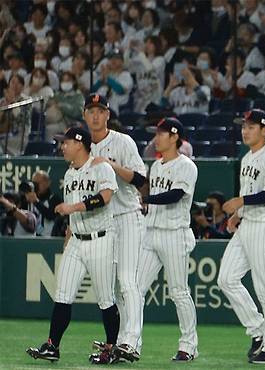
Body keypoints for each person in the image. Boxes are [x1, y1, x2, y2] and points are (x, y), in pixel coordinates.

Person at [26, 127, 119, 364]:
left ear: (79, 143)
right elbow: (71, 214)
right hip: (77, 240)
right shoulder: (69, 174)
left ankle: (110, 348)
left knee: (106, 298)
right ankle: (52, 346)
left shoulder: (101, 167)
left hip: (101, 239)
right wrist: (68, 236)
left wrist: (72, 209)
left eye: (65, 142)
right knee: (62, 294)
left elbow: (105, 197)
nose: (62, 147)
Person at [114, 118, 199, 362]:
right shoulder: (157, 165)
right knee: (135, 289)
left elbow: (176, 195)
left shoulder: (187, 166)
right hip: (152, 234)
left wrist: (148, 200)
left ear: (174, 137)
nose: (156, 138)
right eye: (156, 133)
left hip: (175, 233)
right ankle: (130, 343)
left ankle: (188, 346)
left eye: (161, 134)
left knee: (179, 292)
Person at [217, 109, 265, 364]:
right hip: (248, 224)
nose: (245, 130)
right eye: (244, 126)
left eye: (251, 126)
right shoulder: (247, 157)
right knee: (226, 279)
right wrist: (239, 213)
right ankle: (258, 330)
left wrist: (240, 201)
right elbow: (250, 194)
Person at [83, 94, 148, 362]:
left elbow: (142, 179)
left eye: (101, 110)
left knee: (128, 280)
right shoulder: (83, 147)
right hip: (104, 223)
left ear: (108, 114)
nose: (96, 115)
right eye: (91, 110)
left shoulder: (122, 142)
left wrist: (111, 165)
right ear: (85, 115)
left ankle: (132, 342)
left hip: (128, 215)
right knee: (110, 287)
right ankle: (120, 343)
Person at [26, 170, 63, 237]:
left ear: (47, 183)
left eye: (38, 183)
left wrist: (36, 202)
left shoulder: (54, 198)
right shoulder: (28, 199)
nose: (36, 186)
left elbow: (50, 215)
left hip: (49, 239)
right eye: (34, 183)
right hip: (31, 238)